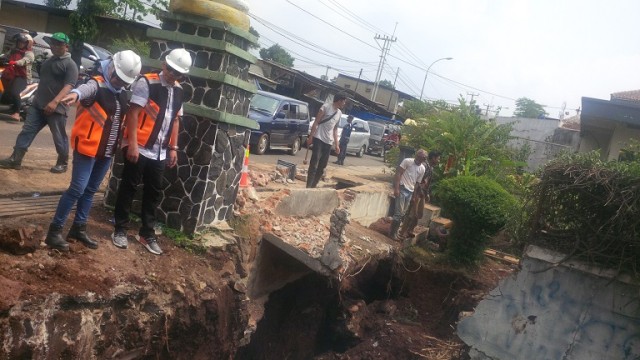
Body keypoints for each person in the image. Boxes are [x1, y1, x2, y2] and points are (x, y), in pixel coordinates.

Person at [43, 51, 142, 252]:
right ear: (112, 67)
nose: (119, 82)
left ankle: (78, 228)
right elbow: (83, 90)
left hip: (106, 152)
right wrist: (74, 95)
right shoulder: (96, 84)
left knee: (90, 191)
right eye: (117, 77)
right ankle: (55, 231)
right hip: (87, 149)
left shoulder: (121, 93)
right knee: (77, 189)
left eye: (124, 81)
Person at [111, 48, 192, 255]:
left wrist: (173, 148)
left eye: (178, 73)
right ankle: (120, 229)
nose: (173, 75)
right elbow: (133, 114)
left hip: (160, 152)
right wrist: (134, 145)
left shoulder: (179, 91)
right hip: (140, 147)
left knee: (153, 193)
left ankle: (147, 233)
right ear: (164, 65)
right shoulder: (147, 83)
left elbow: (175, 120)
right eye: (171, 70)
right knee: (129, 187)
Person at [0, 32, 78, 173]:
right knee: (27, 131)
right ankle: (15, 159)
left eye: (58, 44)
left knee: (59, 136)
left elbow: (69, 86)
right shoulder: (48, 61)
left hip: (56, 108)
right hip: (38, 105)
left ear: (66, 46)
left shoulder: (70, 65)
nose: (54, 46)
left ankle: (62, 163)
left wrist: (55, 102)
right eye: (53, 43)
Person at [306, 93, 347, 188]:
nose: (344, 104)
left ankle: (313, 186)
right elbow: (316, 122)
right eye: (343, 102)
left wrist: (337, 145)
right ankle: (308, 186)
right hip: (319, 138)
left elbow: (335, 129)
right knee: (314, 162)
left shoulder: (339, 113)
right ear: (339, 100)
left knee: (322, 166)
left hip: (328, 142)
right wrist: (310, 137)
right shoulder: (325, 107)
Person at [399, 150, 441, 239]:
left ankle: (409, 230)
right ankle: (402, 232)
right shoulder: (424, 166)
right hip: (417, 192)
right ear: (433, 158)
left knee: (418, 214)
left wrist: (427, 193)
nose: (438, 161)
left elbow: (427, 182)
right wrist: (416, 195)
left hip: (422, 193)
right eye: (438, 158)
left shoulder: (430, 168)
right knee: (411, 214)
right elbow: (418, 181)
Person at [390, 149, 427, 241]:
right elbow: (398, 173)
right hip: (402, 188)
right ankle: (392, 234)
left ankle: (395, 233)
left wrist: (414, 196)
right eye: (418, 156)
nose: (418, 158)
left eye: (421, 157)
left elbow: (417, 183)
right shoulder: (407, 161)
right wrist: (396, 188)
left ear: (424, 159)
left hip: (410, 191)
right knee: (398, 213)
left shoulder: (422, 168)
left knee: (403, 214)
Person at [0, 33, 35, 121]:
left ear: (26, 43)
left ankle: (17, 112)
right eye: (19, 42)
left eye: (23, 42)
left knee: (14, 92)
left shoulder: (29, 53)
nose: (20, 44)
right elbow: (5, 56)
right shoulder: (13, 50)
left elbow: (25, 61)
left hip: (21, 77)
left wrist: (15, 62)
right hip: (8, 74)